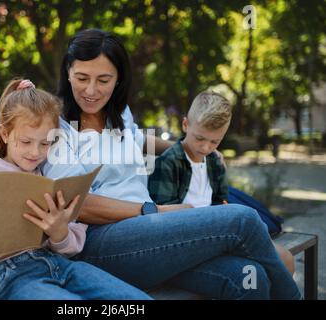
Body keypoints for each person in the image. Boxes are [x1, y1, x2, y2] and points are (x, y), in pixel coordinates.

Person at [39, 28, 302, 299]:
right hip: (99, 244)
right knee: (241, 219)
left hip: (150, 242)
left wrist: (190, 148)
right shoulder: (56, 126)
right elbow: (77, 203)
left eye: (103, 80)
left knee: (249, 277)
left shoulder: (118, 114)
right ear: (68, 72)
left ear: (118, 80)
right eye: (82, 78)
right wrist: (155, 210)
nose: (91, 90)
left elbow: (137, 139)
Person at [0, 79, 152, 300]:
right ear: (6, 134)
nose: (35, 152)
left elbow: (71, 246)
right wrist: (4, 219)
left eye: (45, 144)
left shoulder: (44, 178)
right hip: (9, 274)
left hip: (60, 265)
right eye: (26, 141)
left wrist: (59, 233)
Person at [148, 90, 295, 275]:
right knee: (259, 269)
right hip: (186, 236)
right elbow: (162, 219)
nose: (206, 147)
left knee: (285, 258)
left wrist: (222, 216)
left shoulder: (215, 161)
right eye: (199, 138)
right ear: (185, 124)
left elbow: (220, 200)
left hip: (217, 231)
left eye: (214, 142)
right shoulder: (169, 163)